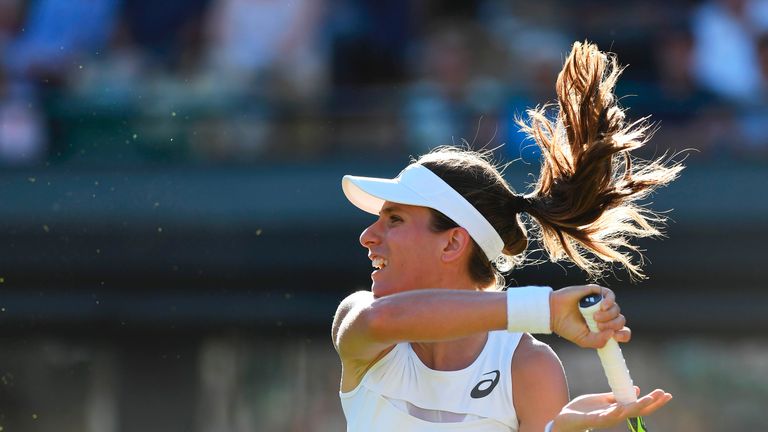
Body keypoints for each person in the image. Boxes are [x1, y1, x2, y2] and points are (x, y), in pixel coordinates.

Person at [332, 41, 679, 432]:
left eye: (393, 219)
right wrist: (545, 309)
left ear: (452, 243)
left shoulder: (529, 366)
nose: (367, 236)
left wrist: (557, 431)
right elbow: (387, 319)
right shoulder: (363, 321)